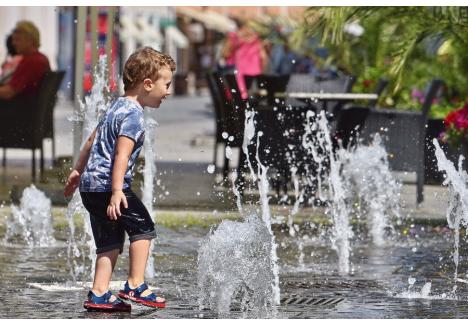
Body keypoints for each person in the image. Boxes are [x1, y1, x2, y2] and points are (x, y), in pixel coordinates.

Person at [63, 46, 176, 312]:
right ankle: (135, 283)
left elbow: (91, 141)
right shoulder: (134, 115)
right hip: (109, 186)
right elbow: (122, 156)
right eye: (167, 84)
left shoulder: (115, 106)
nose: (169, 92)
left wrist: (77, 172)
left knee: (110, 240)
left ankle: (99, 292)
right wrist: (117, 191)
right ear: (148, 84)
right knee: (143, 227)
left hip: (91, 187)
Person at [0, 20, 50, 100]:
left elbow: (8, 92)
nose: (13, 43)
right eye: (13, 40)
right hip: (26, 107)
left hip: (15, 109)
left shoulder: (31, 62)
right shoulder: (41, 58)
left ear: (30, 41)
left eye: (17, 40)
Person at [221, 18, 267, 99]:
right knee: (255, 97)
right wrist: (262, 70)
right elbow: (263, 57)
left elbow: (225, 53)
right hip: (255, 72)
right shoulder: (256, 39)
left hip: (238, 73)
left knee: (239, 96)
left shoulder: (234, 37)